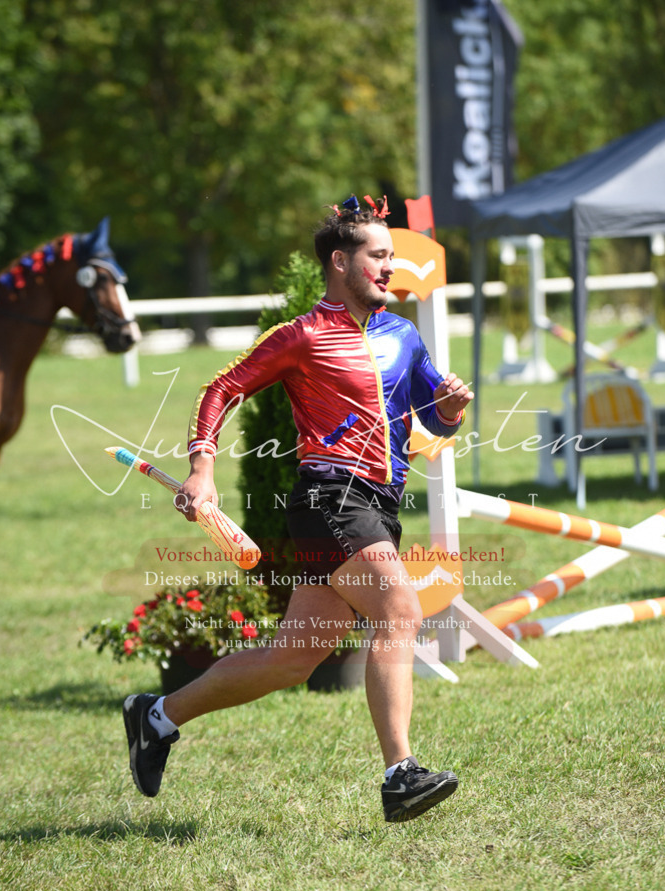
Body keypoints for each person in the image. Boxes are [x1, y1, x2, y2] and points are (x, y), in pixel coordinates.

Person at [122, 194, 473, 822]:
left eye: (392, 256)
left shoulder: (403, 334)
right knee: (400, 609)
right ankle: (400, 774)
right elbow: (221, 388)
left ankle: (157, 715)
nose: (390, 267)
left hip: (380, 502)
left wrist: (449, 407)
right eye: (379, 256)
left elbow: (428, 413)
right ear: (341, 262)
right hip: (331, 496)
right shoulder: (301, 337)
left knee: (292, 658)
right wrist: (202, 468)